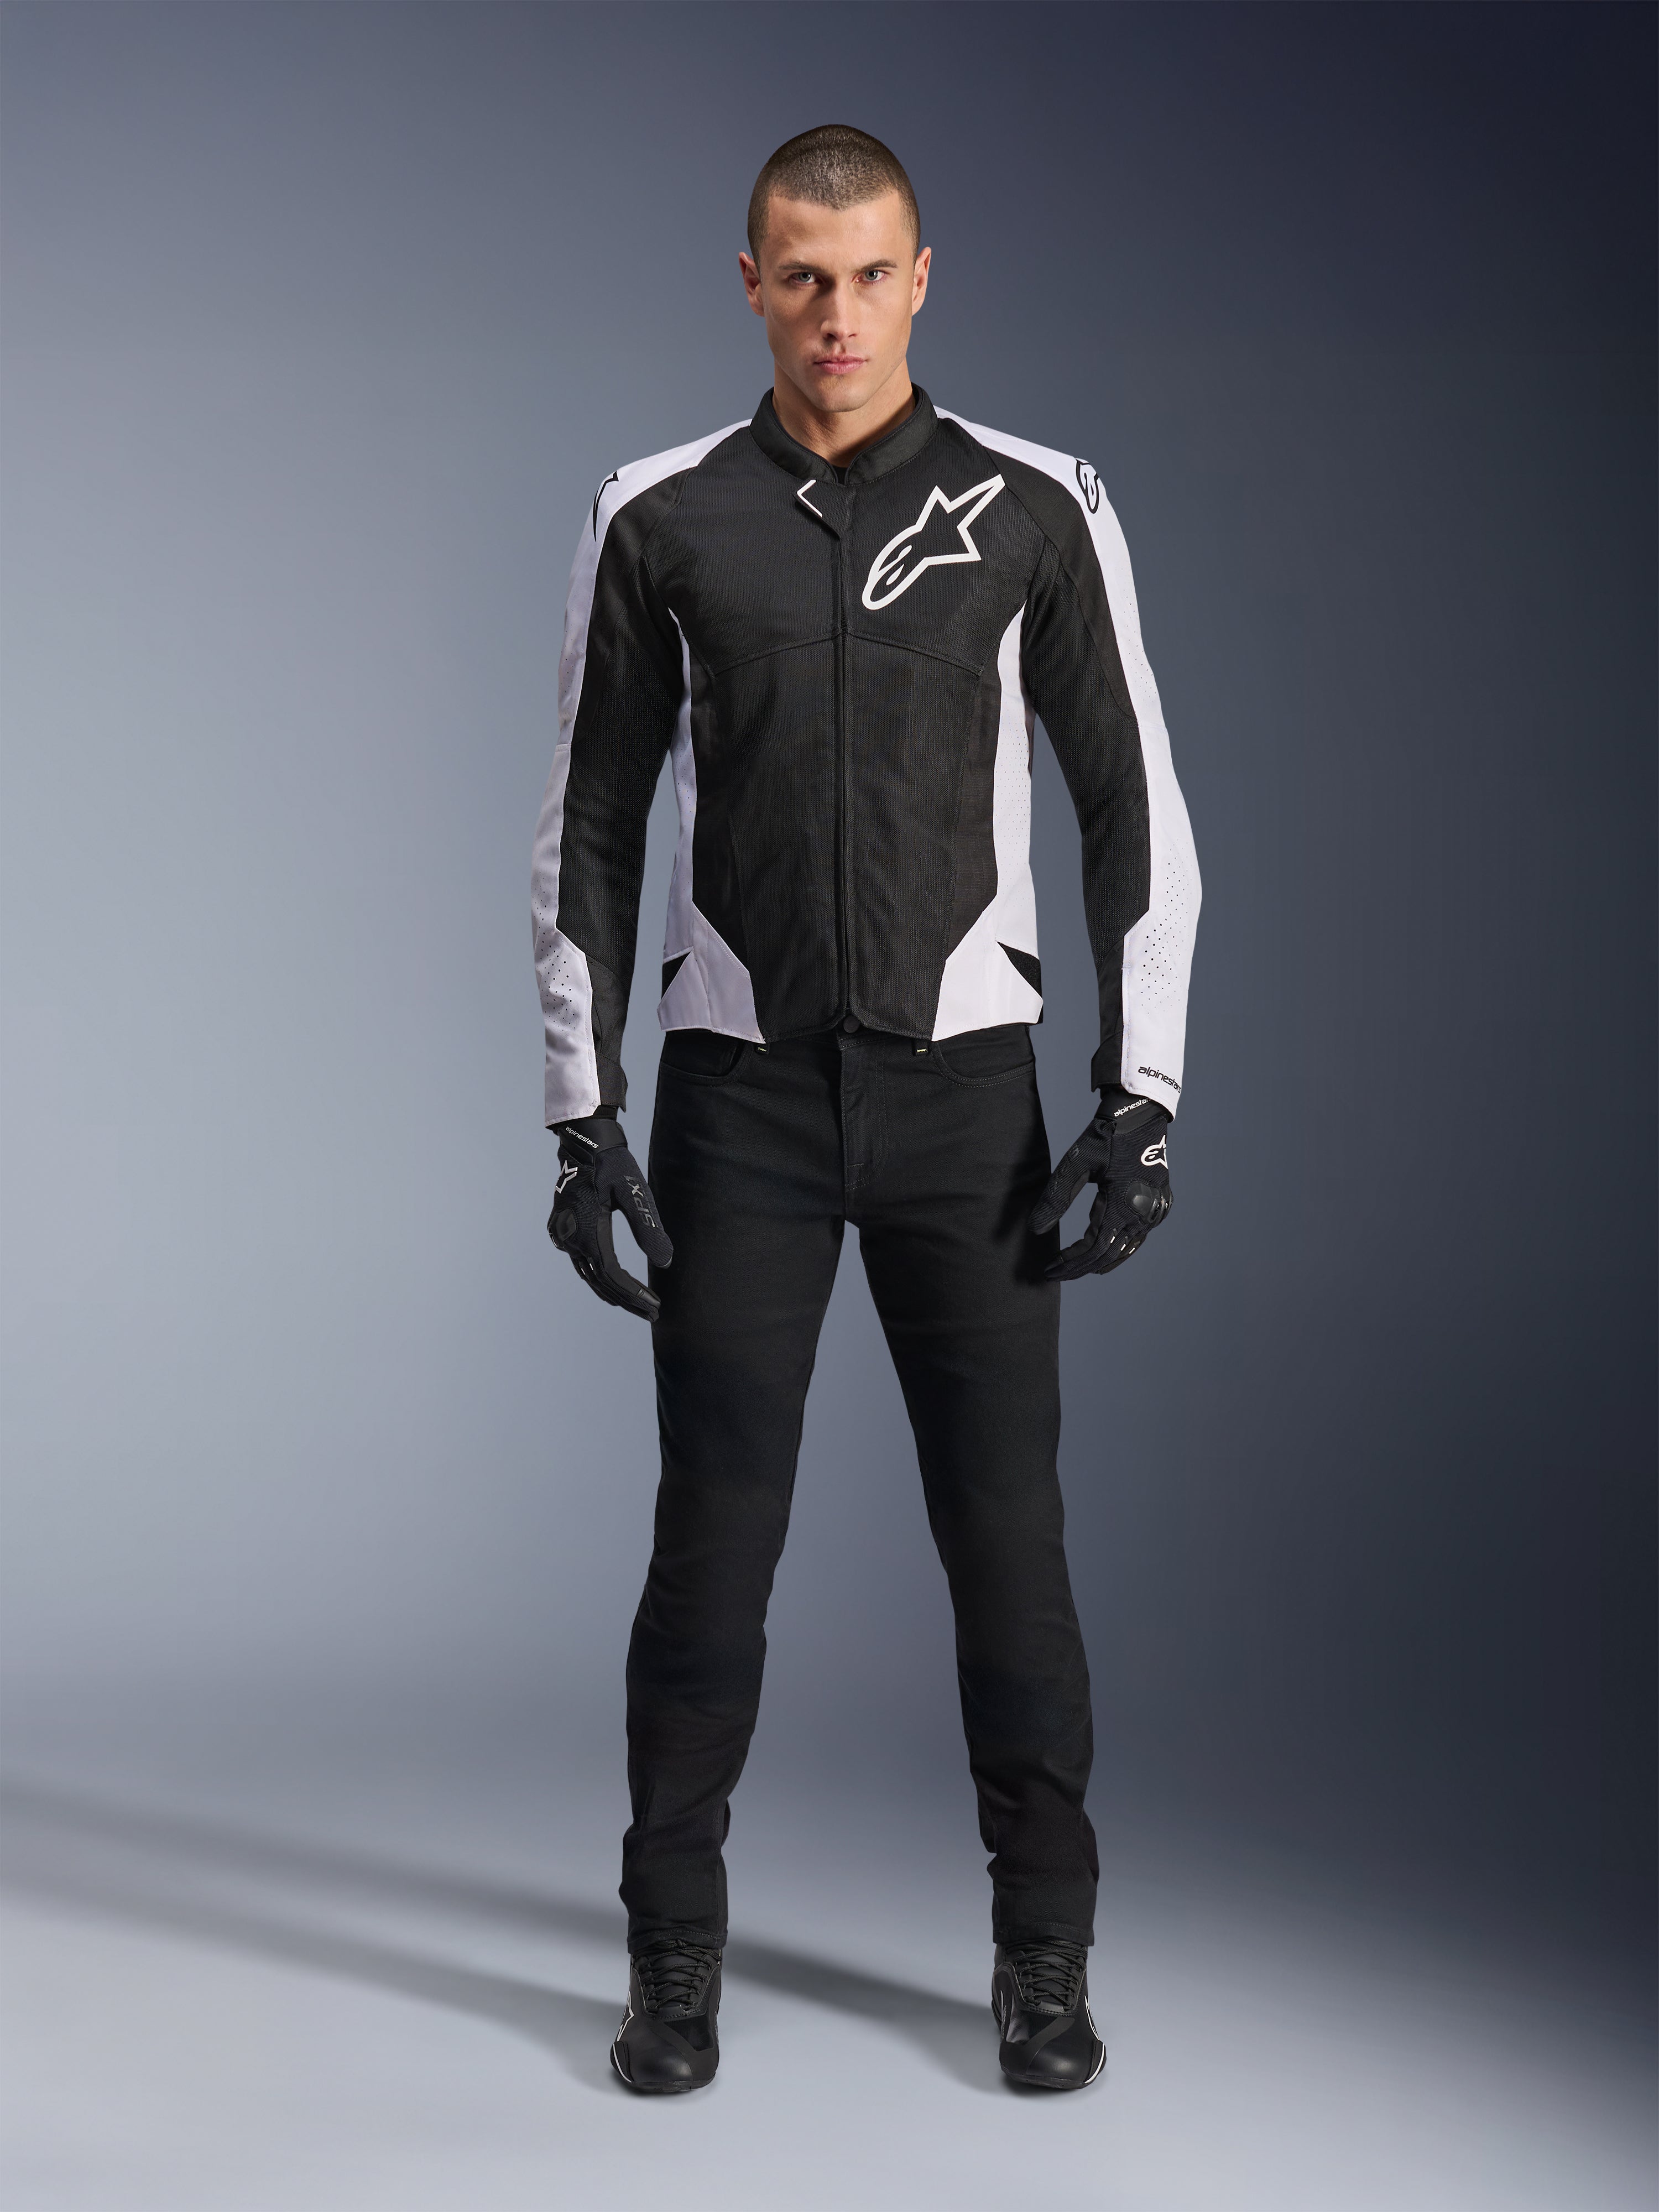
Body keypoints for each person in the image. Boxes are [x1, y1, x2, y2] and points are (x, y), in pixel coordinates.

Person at [532, 123, 1199, 2095]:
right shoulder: (656, 514)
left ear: (925, 278)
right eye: (802, 277)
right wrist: (580, 1114)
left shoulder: (1037, 506)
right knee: (711, 1547)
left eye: (871, 274)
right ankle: (669, 1959)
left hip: (966, 1104)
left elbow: (1134, 804)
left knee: (1008, 1546)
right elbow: (585, 817)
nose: (839, 314)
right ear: (751, 283)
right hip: (735, 1100)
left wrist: (1143, 1093)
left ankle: (1045, 1959)